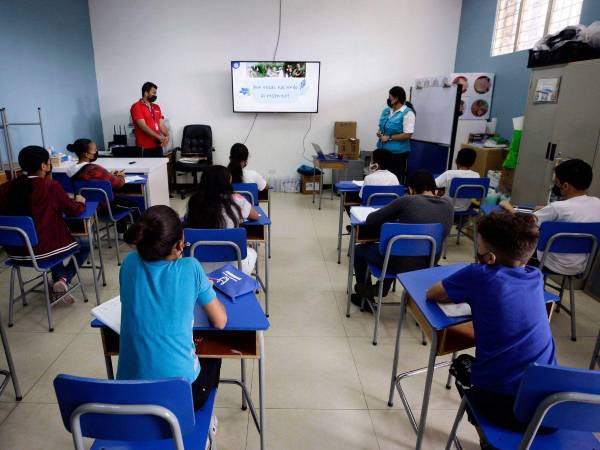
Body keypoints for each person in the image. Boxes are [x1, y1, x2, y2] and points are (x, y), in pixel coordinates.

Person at [426, 211, 556, 433]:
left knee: (461, 365)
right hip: (552, 406)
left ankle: (487, 441)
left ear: (490, 258)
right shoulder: (535, 276)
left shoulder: (479, 275)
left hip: (508, 409)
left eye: (479, 247)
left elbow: (433, 293)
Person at [118, 205, 227, 413]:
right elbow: (220, 321)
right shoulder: (191, 267)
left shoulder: (129, 263)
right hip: (181, 395)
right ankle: (206, 421)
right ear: (179, 246)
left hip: (130, 394)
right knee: (213, 352)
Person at [351, 170, 453, 308]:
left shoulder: (406, 201)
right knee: (401, 248)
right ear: (434, 187)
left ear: (411, 189)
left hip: (398, 262)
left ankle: (366, 297)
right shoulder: (448, 204)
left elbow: (371, 220)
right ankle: (382, 288)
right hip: (429, 264)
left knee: (360, 250)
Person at [0, 146, 88, 302]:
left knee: (52, 236)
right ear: (43, 166)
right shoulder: (50, 186)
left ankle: (58, 279)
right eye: (48, 162)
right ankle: (63, 280)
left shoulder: (7, 187)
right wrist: (80, 202)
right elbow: (73, 210)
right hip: (42, 251)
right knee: (85, 243)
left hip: (15, 252)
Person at [501, 158, 600, 275]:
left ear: (566, 186)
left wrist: (509, 208)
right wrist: (546, 208)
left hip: (549, 262)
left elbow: (525, 222)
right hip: (581, 266)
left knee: (511, 241)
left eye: (557, 183)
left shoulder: (558, 207)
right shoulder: (597, 203)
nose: (556, 186)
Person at [184, 165, 259, 275]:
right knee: (252, 251)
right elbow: (255, 216)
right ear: (227, 182)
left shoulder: (194, 201)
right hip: (233, 268)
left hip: (198, 267)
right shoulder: (236, 200)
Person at [66, 138, 139, 231]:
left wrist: (109, 175)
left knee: (120, 200)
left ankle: (122, 232)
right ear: (86, 154)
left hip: (87, 207)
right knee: (135, 206)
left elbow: (92, 180)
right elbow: (118, 184)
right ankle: (138, 236)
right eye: (94, 150)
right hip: (105, 207)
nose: (96, 151)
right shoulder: (94, 169)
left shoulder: (71, 171)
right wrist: (121, 176)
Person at [376, 86, 416, 183]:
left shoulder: (407, 113)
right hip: (382, 151)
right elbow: (382, 126)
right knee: (380, 178)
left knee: (393, 178)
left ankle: (394, 197)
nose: (389, 98)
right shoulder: (386, 110)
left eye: (390, 96)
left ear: (397, 98)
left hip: (397, 153)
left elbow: (407, 135)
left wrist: (389, 137)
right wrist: (379, 132)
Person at [130, 81, 170, 157]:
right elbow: (143, 127)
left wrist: (167, 136)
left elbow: (161, 125)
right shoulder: (136, 106)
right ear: (146, 93)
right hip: (145, 148)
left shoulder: (156, 107)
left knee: (160, 168)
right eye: (153, 93)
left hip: (158, 146)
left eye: (156, 93)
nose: (155, 95)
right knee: (148, 169)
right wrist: (159, 137)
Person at [435, 147, 480, 211]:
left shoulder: (449, 174)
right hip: (465, 208)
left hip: (446, 208)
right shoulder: (476, 176)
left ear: (456, 161)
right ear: (473, 163)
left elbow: (432, 184)